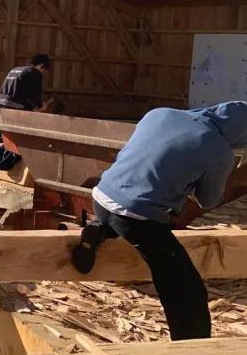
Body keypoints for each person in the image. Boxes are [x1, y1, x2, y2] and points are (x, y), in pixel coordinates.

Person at [71, 102, 247, 341]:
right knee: (184, 287)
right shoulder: (220, 151)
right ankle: (190, 346)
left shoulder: (160, 113)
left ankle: (99, 228)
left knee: (126, 221)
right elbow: (207, 200)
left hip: (102, 198)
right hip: (138, 217)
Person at [0, 53, 51, 141]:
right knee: (14, 141)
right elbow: (34, 94)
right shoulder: (34, 72)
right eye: (44, 71)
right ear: (41, 65)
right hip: (13, 110)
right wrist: (41, 105)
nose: (42, 74)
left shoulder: (15, 70)